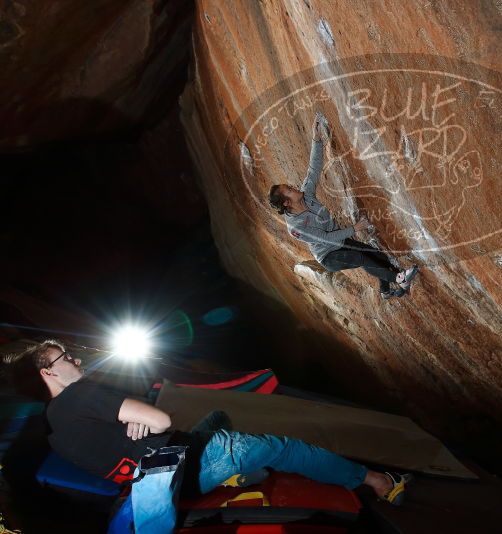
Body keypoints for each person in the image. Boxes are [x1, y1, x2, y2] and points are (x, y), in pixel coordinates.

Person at [5, 339, 410, 504]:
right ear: (48, 373)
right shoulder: (83, 393)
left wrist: (136, 428)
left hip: (170, 488)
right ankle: (379, 483)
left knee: (216, 417)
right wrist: (146, 422)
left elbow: (116, 452)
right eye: (65, 358)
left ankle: (233, 477)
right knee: (285, 448)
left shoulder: (55, 434)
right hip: (192, 462)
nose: (75, 360)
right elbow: (161, 419)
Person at [269, 114, 419, 299]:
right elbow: (325, 238)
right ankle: (398, 278)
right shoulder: (296, 228)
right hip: (328, 255)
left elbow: (313, 170)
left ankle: (386, 290)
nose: (294, 187)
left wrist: (316, 139)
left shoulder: (306, 195)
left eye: (290, 187)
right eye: (289, 190)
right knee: (361, 258)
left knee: (376, 254)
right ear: (286, 203)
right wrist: (355, 229)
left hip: (339, 242)